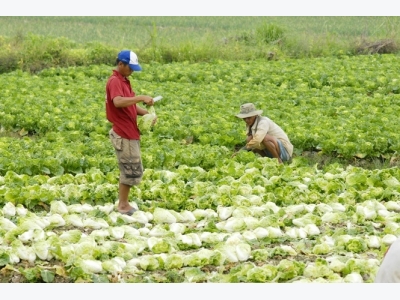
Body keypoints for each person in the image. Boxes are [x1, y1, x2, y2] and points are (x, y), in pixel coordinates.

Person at [105, 49, 156, 216]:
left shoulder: (124, 81)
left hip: (130, 130)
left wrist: (147, 114)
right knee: (128, 168)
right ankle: (123, 205)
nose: (132, 71)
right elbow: (118, 102)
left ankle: (124, 203)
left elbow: (131, 106)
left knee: (133, 167)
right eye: (130, 67)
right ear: (121, 64)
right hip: (123, 132)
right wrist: (140, 97)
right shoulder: (115, 81)